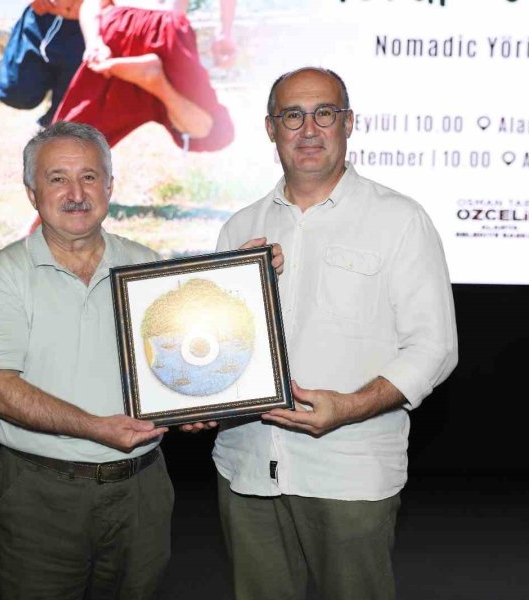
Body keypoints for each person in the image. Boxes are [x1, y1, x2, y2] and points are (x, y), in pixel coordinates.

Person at [0, 121, 282, 599]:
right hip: (40, 492)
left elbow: (180, 360)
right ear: (32, 193)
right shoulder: (5, 273)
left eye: (89, 177)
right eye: (57, 179)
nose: (76, 194)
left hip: (140, 491)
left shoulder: (144, 266)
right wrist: (95, 428)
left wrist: (239, 277)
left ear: (110, 187)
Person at [208, 67, 459, 600]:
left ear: (348, 123)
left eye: (324, 113)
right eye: (292, 116)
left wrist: (350, 407)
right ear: (271, 128)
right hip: (247, 468)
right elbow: (221, 346)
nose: (308, 129)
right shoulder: (239, 228)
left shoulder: (400, 220)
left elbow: (434, 348)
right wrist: (198, 399)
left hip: (349, 473)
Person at [51, 0, 237, 152]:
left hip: (119, 27)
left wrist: (94, 43)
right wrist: (225, 32)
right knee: (215, 132)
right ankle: (158, 84)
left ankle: (153, 80)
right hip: (167, 28)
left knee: (65, 143)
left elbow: (91, 3)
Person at [0, 1, 86, 126]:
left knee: (67, 113)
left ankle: (51, 125)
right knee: (15, 92)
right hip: (42, 18)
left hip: (84, 29)